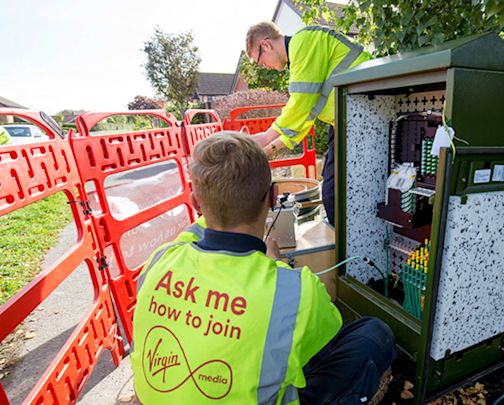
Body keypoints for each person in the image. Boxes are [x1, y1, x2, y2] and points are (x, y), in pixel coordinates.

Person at [131, 132, 396, 404]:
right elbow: (324, 344)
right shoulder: (296, 290)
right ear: (273, 197)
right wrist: (277, 264)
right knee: (374, 333)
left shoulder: (159, 260)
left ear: (195, 203)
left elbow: (198, 230)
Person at [245, 22, 371, 227]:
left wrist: (266, 136)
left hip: (359, 116)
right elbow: (305, 116)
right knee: (331, 190)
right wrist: (269, 149)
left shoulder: (303, 41)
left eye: (259, 61)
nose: (263, 66)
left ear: (266, 45)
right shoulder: (301, 54)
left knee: (334, 194)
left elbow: (300, 104)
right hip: (344, 120)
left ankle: (349, 249)